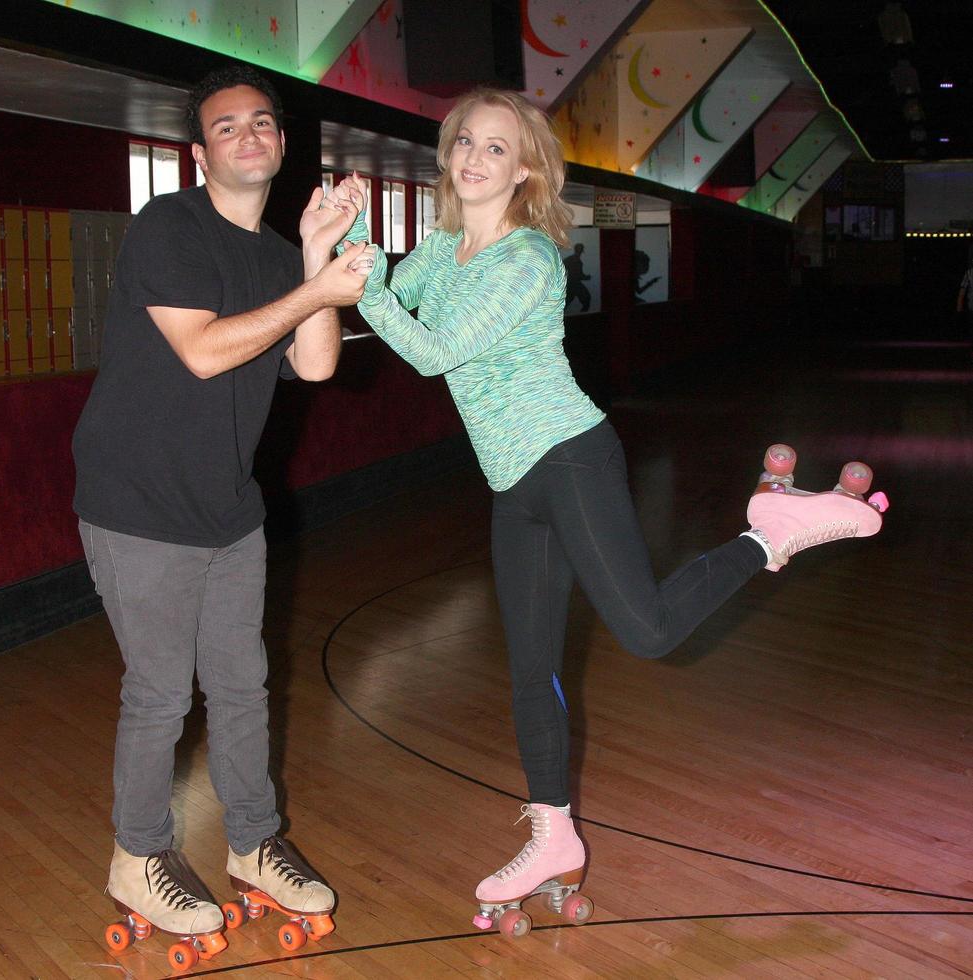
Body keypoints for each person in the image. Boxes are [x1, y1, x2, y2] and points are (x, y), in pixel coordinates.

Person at [334, 88, 885, 917]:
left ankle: (768, 532)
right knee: (530, 668)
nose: (475, 159)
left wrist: (359, 277)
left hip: (568, 460)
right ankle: (552, 829)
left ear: (523, 169)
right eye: (464, 144)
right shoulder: (443, 242)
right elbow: (387, 290)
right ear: (448, 157)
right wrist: (349, 236)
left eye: (496, 148)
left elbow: (431, 349)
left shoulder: (526, 258)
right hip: (510, 482)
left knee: (648, 631)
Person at [72, 65, 366, 945]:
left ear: (280, 144)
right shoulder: (170, 226)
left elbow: (314, 364)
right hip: (137, 502)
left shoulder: (278, 258)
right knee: (161, 694)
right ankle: (137, 854)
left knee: (242, 687)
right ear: (200, 153)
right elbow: (202, 352)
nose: (248, 135)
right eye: (226, 126)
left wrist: (312, 260)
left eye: (262, 123)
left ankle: (252, 842)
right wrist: (315, 290)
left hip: (228, 508)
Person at [562, 242, 591, 312]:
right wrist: (586, 277)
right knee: (586, 298)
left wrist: (585, 277)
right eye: (580, 250)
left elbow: (578, 275)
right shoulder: (573, 259)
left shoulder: (575, 260)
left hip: (572, 283)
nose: (580, 252)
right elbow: (578, 275)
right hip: (574, 284)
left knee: (568, 301)